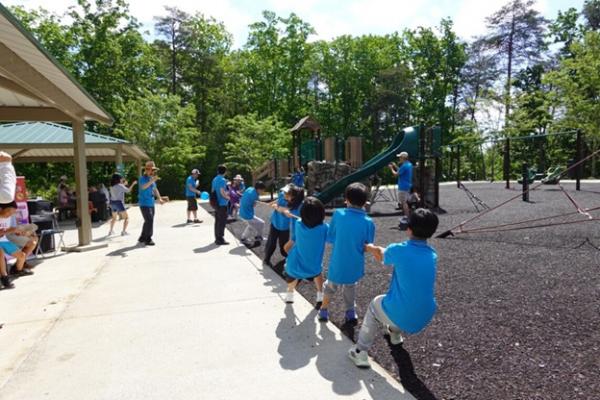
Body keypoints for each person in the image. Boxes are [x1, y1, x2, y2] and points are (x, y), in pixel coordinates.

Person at [348, 208, 439, 368]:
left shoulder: (399, 250)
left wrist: (368, 247)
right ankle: (395, 335)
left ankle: (360, 351)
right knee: (400, 299)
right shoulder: (432, 254)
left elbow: (381, 253)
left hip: (404, 314)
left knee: (375, 305)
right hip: (425, 315)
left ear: (409, 229)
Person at [318, 182, 375, 323]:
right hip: (355, 263)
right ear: (365, 202)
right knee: (350, 286)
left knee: (330, 286)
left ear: (347, 200)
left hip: (338, 262)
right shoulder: (368, 221)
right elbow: (368, 245)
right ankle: (350, 311)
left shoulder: (338, 214)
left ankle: (324, 310)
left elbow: (330, 237)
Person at [282, 196, 328, 304]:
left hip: (294, 265)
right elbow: (334, 237)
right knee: (318, 274)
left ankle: (289, 294)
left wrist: (288, 213)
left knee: (292, 276)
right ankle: (320, 295)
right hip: (313, 266)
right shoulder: (324, 228)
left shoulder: (299, 224)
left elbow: (287, 247)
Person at [0, 202, 34, 277]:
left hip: (4, 240)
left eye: (12, 213)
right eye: (9, 211)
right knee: (1, 253)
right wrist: (11, 230)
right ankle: (4, 276)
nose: (10, 214)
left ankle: (18, 270)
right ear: (2, 209)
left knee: (22, 256)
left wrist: (18, 231)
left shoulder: (7, 218)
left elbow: (7, 229)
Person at [263, 185, 292, 268]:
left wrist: (276, 207)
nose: (284, 193)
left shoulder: (293, 202)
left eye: (286, 192)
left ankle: (287, 257)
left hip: (284, 227)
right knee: (271, 243)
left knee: (284, 245)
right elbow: (278, 200)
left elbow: (285, 210)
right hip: (275, 223)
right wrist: (272, 203)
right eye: (284, 192)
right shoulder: (282, 194)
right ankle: (266, 259)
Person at [138, 161, 165, 246]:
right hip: (144, 203)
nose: (153, 171)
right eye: (152, 170)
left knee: (148, 221)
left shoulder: (152, 179)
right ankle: (148, 238)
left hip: (151, 203)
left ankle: (142, 237)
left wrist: (159, 198)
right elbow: (143, 187)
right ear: (146, 170)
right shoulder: (142, 178)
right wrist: (152, 180)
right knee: (149, 220)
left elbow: (155, 189)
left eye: (154, 170)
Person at [239, 181, 267, 247]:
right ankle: (257, 237)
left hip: (242, 211)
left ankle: (245, 237)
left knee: (252, 225)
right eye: (262, 190)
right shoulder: (255, 195)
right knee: (261, 223)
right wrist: (255, 200)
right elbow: (254, 205)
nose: (262, 192)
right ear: (259, 189)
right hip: (247, 214)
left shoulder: (250, 188)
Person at [388, 152, 413, 216]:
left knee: (403, 203)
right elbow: (401, 171)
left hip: (403, 186)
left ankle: (406, 216)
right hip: (407, 185)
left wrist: (391, 168)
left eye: (400, 157)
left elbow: (396, 174)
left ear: (403, 158)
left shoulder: (404, 166)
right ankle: (407, 215)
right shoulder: (409, 164)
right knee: (405, 202)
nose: (399, 158)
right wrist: (395, 166)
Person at [211, 164, 230, 245]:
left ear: (217, 171)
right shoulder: (222, 180)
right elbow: (222, 192)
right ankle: (220, 239)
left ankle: (217, 238)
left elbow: (213, 190)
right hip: (222, 203)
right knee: (222, 222)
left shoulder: (215, 179)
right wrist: (228, 197)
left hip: (216, 203)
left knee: (217, 221)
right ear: (225, 172)